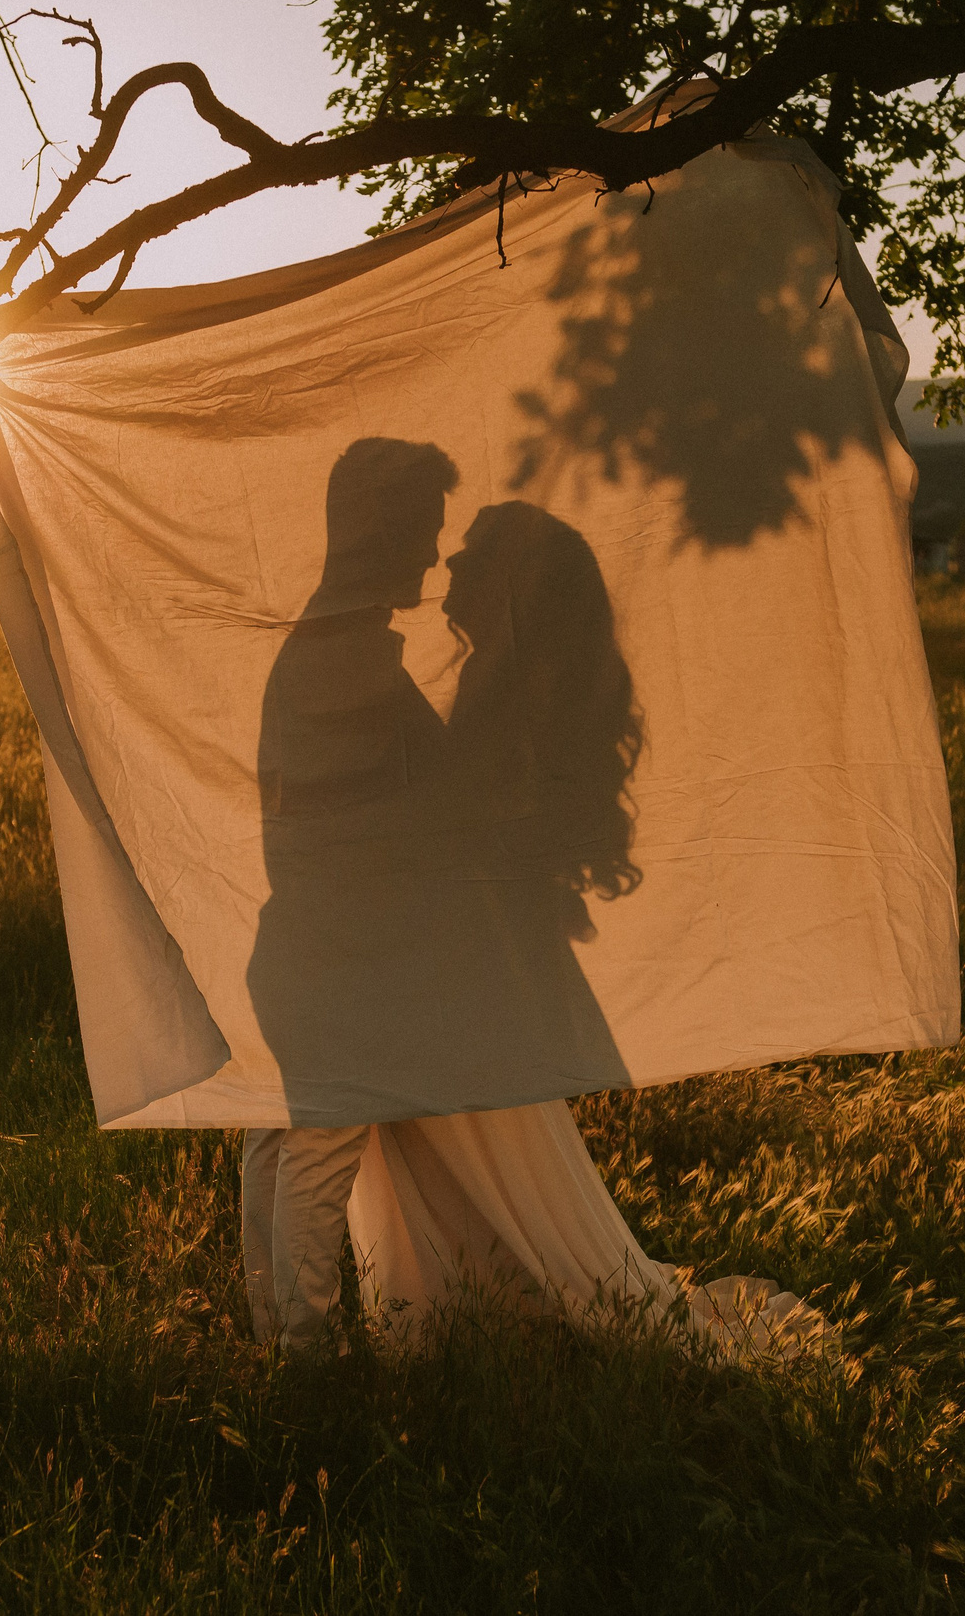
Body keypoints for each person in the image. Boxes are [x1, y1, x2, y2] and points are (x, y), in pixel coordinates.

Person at [241, 454, 824, 1357]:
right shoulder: (347, 658)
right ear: (374, 528)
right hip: (348, 950)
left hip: (365, 953)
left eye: (456, 543)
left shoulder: (385, 661)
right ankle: (294, 1360)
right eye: (429, 530)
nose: (438, 559)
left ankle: (293, 1356)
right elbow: (352, 825)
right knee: (295, 1145)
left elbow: (409, 823)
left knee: (294, 1143)